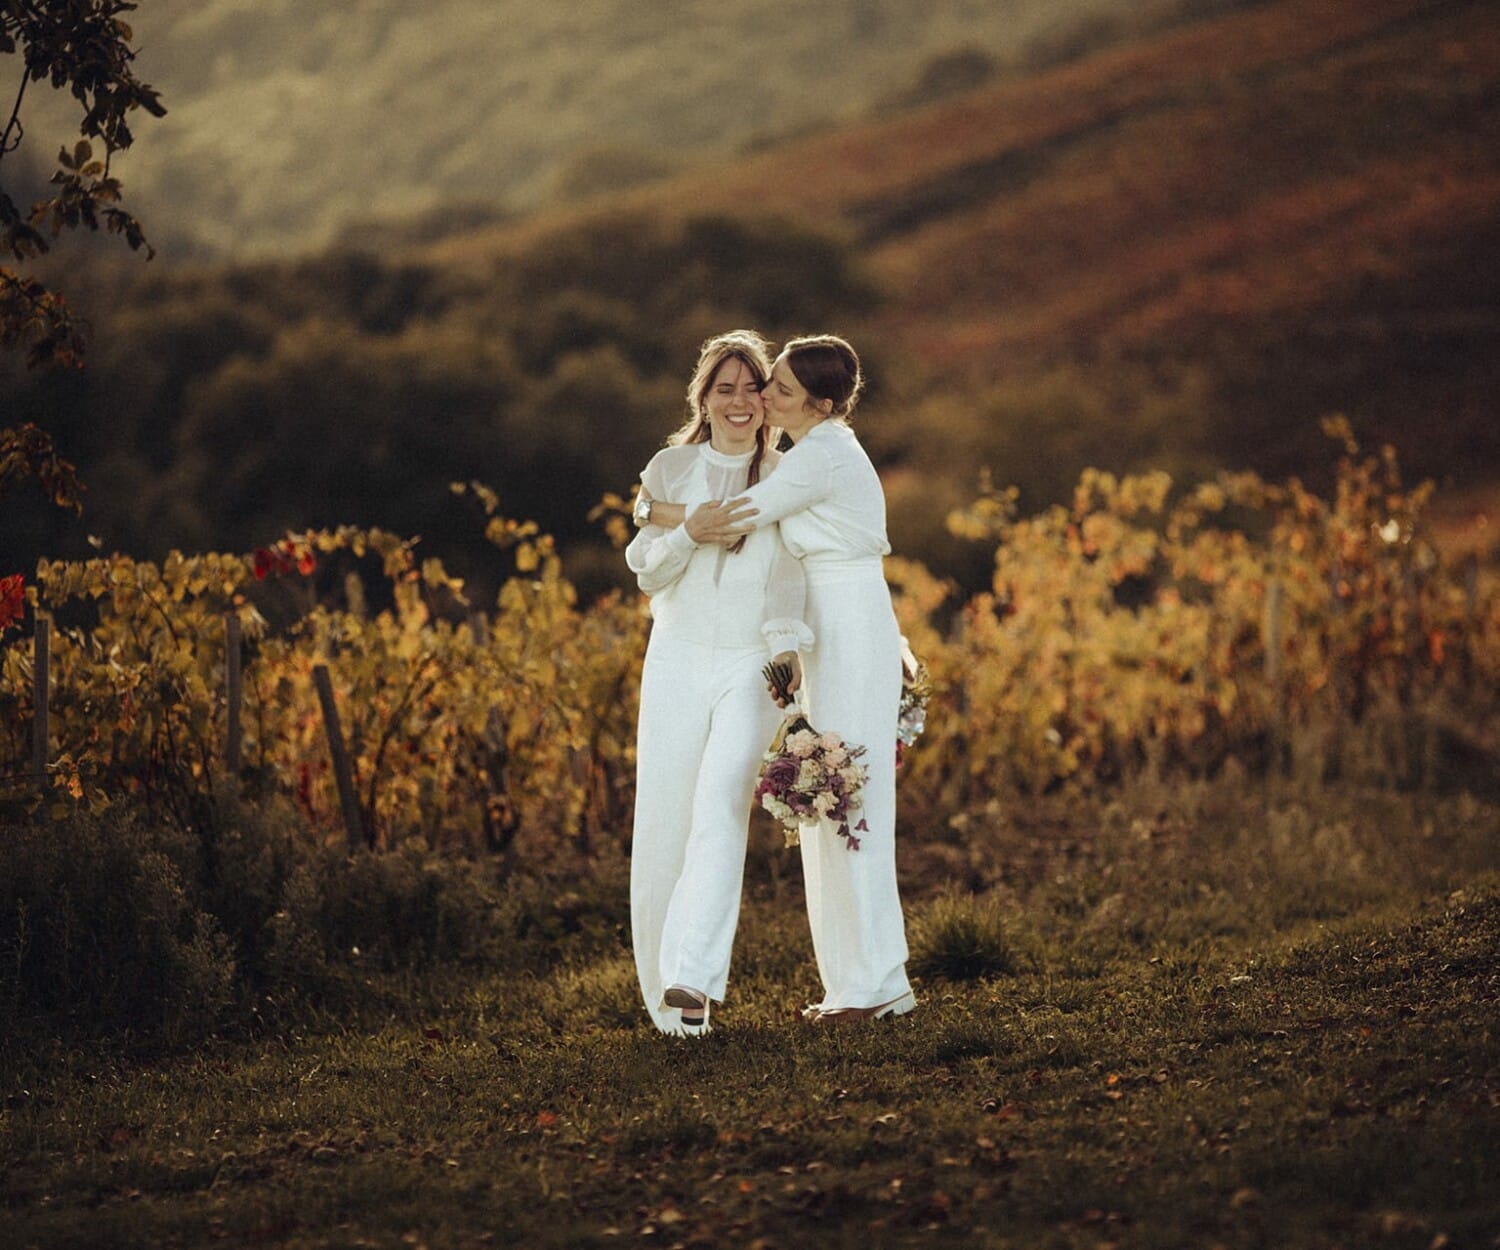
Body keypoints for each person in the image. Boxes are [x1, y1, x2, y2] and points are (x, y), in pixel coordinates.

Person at [646, 335, 915, 1022]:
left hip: (849, 628)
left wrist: (653, 512)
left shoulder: (816, 457)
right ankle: (854, 988)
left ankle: (881, 984)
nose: (764, 398)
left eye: (780, 391)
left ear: (820, 405)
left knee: (851, 798)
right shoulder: (810, 452)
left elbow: (736, 516)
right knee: (831, 800)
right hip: (830, 629)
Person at [626, 330, 812, 1035]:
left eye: (749, 388)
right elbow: (646, 567)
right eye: (723, 388)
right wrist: (689, 532)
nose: (738, 401)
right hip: (674, 659)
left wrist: (787, 649)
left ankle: (694, 979)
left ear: (767, 399)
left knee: (724, 796)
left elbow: (791, 573)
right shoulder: (671, 469)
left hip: (748, 666)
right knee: (666, 819)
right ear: (703, 398)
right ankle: (666, 1003)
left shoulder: (787, 473)